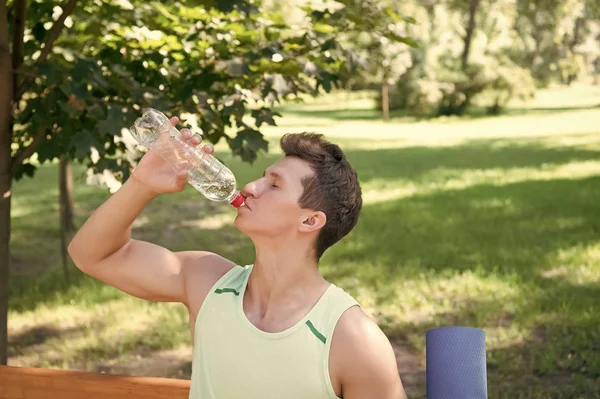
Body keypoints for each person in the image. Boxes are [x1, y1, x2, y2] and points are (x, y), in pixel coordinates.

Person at [68, 116, 407, 399]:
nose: (250, 187)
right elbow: (91, 255)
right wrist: (143, 183)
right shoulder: (206, 281)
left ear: (310, 220)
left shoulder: (352, 338)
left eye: (274, 185)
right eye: (263, 177)